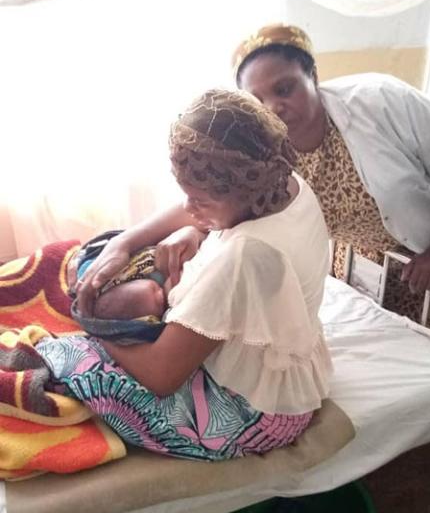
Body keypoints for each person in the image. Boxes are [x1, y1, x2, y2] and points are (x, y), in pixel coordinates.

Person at [39, 88, 332, 460]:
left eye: (202, 202)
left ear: (241, 190)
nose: (190, 208)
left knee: (66, 355)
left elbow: (162, 376)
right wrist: (124, 244)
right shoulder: (283, 180)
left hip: (252, 410)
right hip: (271, 352)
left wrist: (93, 328)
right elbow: (199, 210)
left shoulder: (247, 254)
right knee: (102, 258)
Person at [229, 23, 430, 335]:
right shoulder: (268, 149)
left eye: (284, 89)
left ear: (313, 76)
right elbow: (228, 198)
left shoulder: (380, 100)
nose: (274, 108)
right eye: (258, 100)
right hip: (363, 272)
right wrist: (180, 235)